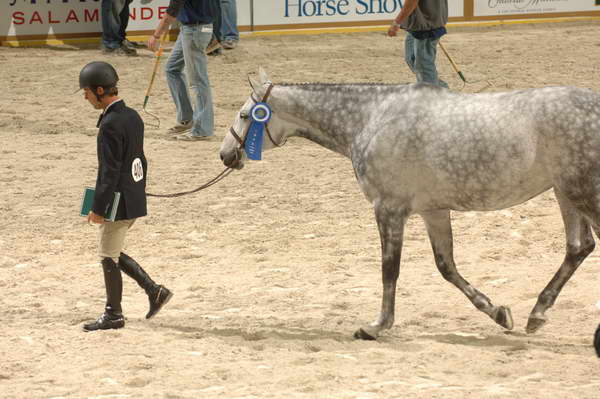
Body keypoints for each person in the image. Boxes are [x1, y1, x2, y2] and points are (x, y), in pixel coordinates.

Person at [79, 61, 173, 331]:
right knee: (114, 251)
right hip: (132, 196)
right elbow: (141, 161)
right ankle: (154, 291)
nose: (86, 98)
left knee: (108, 256)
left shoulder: (109, 124)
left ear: (99, 90)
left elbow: (108, 171)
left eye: (86, 92)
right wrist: (138, 189)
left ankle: (113, 314)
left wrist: (98, 207)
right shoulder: (132, 116)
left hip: (117, 202)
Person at [148, 0, 221, 141]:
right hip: (191, 29)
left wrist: (156, 35)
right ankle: (186, 119)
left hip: (195, 30)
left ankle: (202, 130)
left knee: (198, 80)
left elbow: (172, 11)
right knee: (172, 68)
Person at [387, 0, 449, 88]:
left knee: (423, 66)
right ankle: (439, 87)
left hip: (426, 24)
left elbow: (412, 1)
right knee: (412, 58)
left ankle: (433, 93)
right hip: (420, 23)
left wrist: (396, 23)